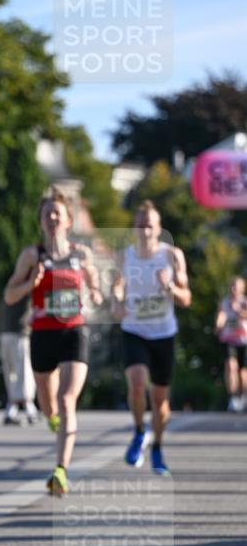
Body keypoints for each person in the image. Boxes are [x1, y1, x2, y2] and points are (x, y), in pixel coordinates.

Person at [3, 189, 102, 496]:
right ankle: (54, 422)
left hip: (73, 331)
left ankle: (60, 469)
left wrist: (93, 295)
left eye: (57, 213)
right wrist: (30, 283)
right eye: (47, 214)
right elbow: (9, 295)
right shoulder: (32, 256)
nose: (52, 218)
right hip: (43, 333)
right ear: (41, 222)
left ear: (69, 220)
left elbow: (97, 291)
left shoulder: (82, 255)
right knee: (49, 407)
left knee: (66, 399)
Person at [111, 200, 191, 475]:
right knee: (135, 383)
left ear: (159, 229)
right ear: (134, 228)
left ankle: (156, 445)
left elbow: (186, 298)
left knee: (160, 401)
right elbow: (117, 289)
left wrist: (168, 286)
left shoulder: (172, 256)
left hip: (163, 333)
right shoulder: (124, 256)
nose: (145, 231)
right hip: (134, 330)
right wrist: (117, 303)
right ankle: (137, 431)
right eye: (140, 226)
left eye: (150, 226)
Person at [0, 295, 37, 425]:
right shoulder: (26, 286)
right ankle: (28, 408)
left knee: (13, 373)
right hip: (18, 334)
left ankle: (12, 409)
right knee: (22, 372)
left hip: (7, 334)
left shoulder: (12, 285)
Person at [215, 275, 247, 412]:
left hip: (243, 339)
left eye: (237, 286)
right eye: (232, 285)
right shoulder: (224, 301)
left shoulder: (244, 302)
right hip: (228, 339)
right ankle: (232, 398)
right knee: (230, 366)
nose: (234, 288)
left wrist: (238, 310)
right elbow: (221, 315)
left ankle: (243, 396)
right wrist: (218, 324)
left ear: (242, 288)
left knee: (242, 372)